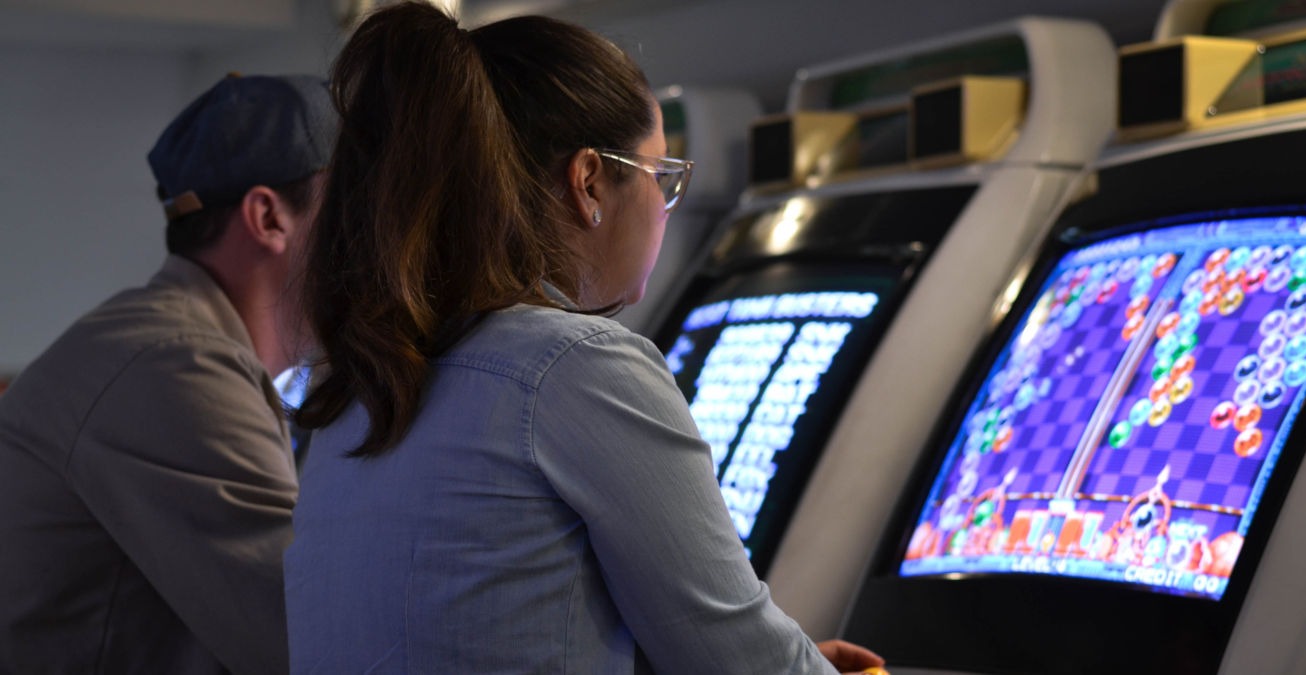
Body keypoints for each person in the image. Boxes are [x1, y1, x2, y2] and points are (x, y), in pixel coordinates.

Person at [284, 3, 885, 673]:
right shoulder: (577, 366)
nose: (664, 208)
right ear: (589, 181)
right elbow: (745, 662)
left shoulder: (363, 379)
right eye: (663, 178)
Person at [0, 73, 336, 674]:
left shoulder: (176, 345)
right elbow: (315, 641)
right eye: (356, 206)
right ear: (267, 217)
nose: (386, 239)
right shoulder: (175, 363)